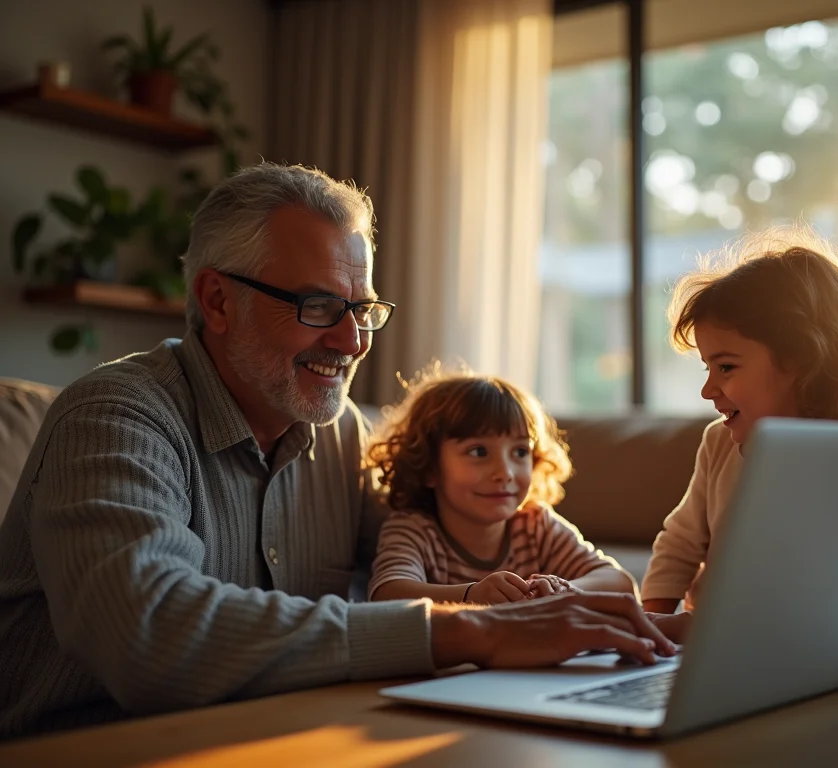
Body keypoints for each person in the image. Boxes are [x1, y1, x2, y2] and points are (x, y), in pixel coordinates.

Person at [0, 163, 673, 739]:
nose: (353, 343)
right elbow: (147, 634)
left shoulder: (341, 432)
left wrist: (664, 623)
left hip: (272, 733)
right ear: (217, 299)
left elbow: (445, 545)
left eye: (365, 309)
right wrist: (477, 628)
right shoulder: (116, 415)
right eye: (320, 306)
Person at [640, 228, 838, 619]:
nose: (707, 390)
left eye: (726, 367)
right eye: (708, 367)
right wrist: (654, 624)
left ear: (800, 360)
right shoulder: (718, 445)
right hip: (710, 632)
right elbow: (679, 543)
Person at [366, 368, 637, 605]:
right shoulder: (414, 529)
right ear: (428, 467)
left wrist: (567, 589)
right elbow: (387, 595)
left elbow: (620, 583)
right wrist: (471, 596)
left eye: (520, 452)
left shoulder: (535, 526)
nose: (505, 472)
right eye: (479, 452)